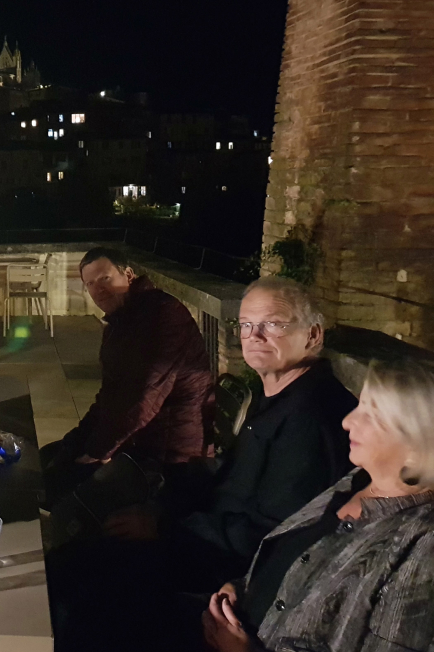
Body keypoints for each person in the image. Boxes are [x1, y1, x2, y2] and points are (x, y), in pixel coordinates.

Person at [49, 278, 358, 652]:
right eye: (246, 324)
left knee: (82, 581)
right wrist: (161, 509)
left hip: (222, 568)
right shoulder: (282, 396)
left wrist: (164, 528)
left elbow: (272, 534)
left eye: (273, 324)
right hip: (203, 537)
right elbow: (227, 479)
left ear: (312, 335)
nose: (254, 336)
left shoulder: (311, 418)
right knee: (75, 554)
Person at [203, 359, 434, 652]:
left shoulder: (421, 545)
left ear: (416, 449)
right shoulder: (356, 481)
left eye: (371, 415)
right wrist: (240, 587)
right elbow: (293, 562)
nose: (347, 422)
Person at [40, 247, 213, 506]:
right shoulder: (122, 321)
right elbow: (109, 395)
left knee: (63, 480)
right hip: (139, 438)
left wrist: (99, 451)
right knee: (50, 457)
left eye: (105, 278)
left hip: (169, 456)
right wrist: (78, 438)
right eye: (90, 284)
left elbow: (143, 398)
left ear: (129, 275)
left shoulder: (163, 314)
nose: (98, 289)